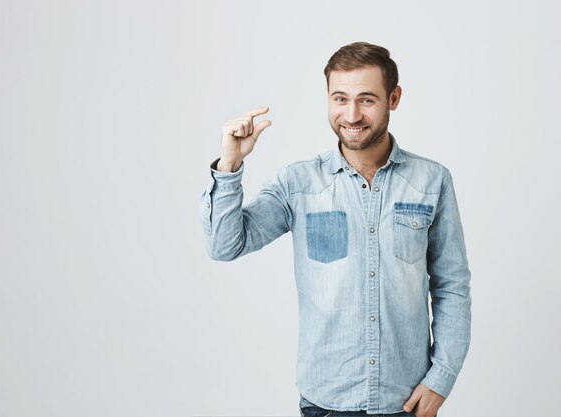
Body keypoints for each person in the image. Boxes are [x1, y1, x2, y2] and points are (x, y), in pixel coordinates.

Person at [200, 41, 471, 417]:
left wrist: (441, 378)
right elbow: (224, 245)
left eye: (367, 99)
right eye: (340, 99)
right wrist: (229, 165)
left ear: (393, 98)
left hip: (406, 401)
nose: (352, 114)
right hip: (326, 403)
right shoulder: (298, 183)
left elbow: (452, 286)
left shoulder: (432, 180)